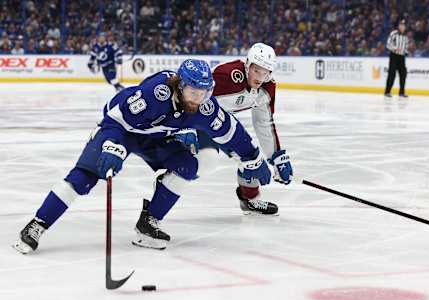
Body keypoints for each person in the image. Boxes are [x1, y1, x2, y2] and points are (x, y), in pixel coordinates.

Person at [13, 59, 271, 253]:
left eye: (204, 93)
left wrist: (253, 158)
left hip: (155, 139)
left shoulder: (205, 105)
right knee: (85, 177)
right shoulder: (155, 94)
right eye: (193, 92)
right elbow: (115, 116)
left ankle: (148, 223)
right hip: (121, 131)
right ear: (180, 86)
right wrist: (112, 145)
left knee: (187, 166)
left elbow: (231, 131)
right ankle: (38, 223)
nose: (198, 99)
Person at [174, 43, 293, 216]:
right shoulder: (227, 75)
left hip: (223, 123)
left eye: (266, 72)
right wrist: (185, 126)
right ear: (247, 65)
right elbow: (188, 94)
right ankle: (170, 180)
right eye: (256, 70)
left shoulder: (267, 88)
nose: (260, 77)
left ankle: (249, 200)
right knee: (207, 161)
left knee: (252, 159)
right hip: (198, 118)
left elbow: (264, 123)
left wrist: (276, 157)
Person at [384, 19, 409, 98]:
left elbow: (406, 47)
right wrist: (394, 48)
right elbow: (388, 44)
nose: (402, 27)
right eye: (401, 25)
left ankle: (401, 92)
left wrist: (406, 51)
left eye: (403, 26)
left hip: (402, 57)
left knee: (403, 74)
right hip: (394, 56)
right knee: (392, 74)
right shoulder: (393, 34)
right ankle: (387, 91)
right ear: (398, 26)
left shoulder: (406, 37)